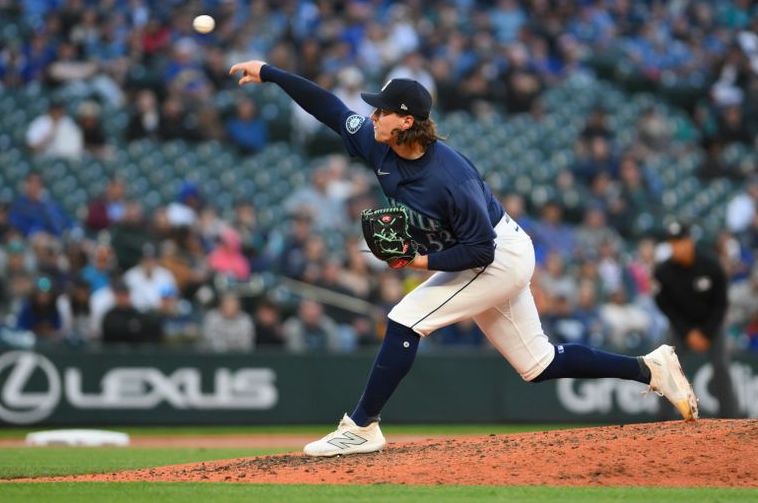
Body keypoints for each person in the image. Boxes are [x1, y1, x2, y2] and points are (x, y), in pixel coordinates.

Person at [229, 60, 699, 458]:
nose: (373, 115)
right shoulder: (378, 141)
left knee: (406, 317)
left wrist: (412, 262)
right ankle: (649, 368)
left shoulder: (449, 179)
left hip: (498, 255)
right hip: (490, 253)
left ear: (407, 121)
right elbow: (330, 108)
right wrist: (269, 73)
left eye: (383, 110)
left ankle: (361, 426)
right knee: (537, 364)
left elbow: (480, 251)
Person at [653, 220, 739, 419]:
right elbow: (666, 306)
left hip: (712, 326)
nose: (676, 246)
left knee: (722, 367)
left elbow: (721, 303)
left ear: (690, 241)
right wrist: (688, 332)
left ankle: (732, 418)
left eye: (680, 241)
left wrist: (706, 333)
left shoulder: (711, 265)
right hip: (681, 328)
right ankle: (660, 421)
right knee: (666, 366)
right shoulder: (664, 271)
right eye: (672, 242)